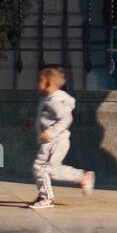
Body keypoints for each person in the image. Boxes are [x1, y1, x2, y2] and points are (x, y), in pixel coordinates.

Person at [28, 64, 95, 209]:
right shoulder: (48, 98)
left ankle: (46, 198)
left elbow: (65, 119)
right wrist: (33, 123)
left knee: (41, 168)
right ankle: (83, 176)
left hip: (55, 142)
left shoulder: (56, 100)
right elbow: (46, 118)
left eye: (39, 80)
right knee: (52, 170)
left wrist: (50, 133)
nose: (37, 83)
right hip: (51, 141)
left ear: (48, 83)